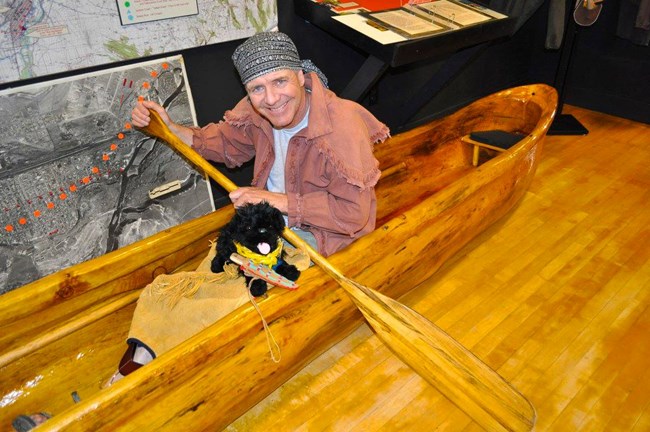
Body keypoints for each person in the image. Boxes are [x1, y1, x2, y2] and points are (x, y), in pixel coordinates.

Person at [131, 31, 390, 257]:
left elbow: (352, 215)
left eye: (280, 81)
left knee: (250, 290)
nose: (271, 99)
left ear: (300, 76)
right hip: (273, 221)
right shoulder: (257, 110)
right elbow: (224, 142)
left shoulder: (342, 127)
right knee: (220, 265)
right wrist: (170, 129)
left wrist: (272, 200)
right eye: (257, 89)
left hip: (327, 236)